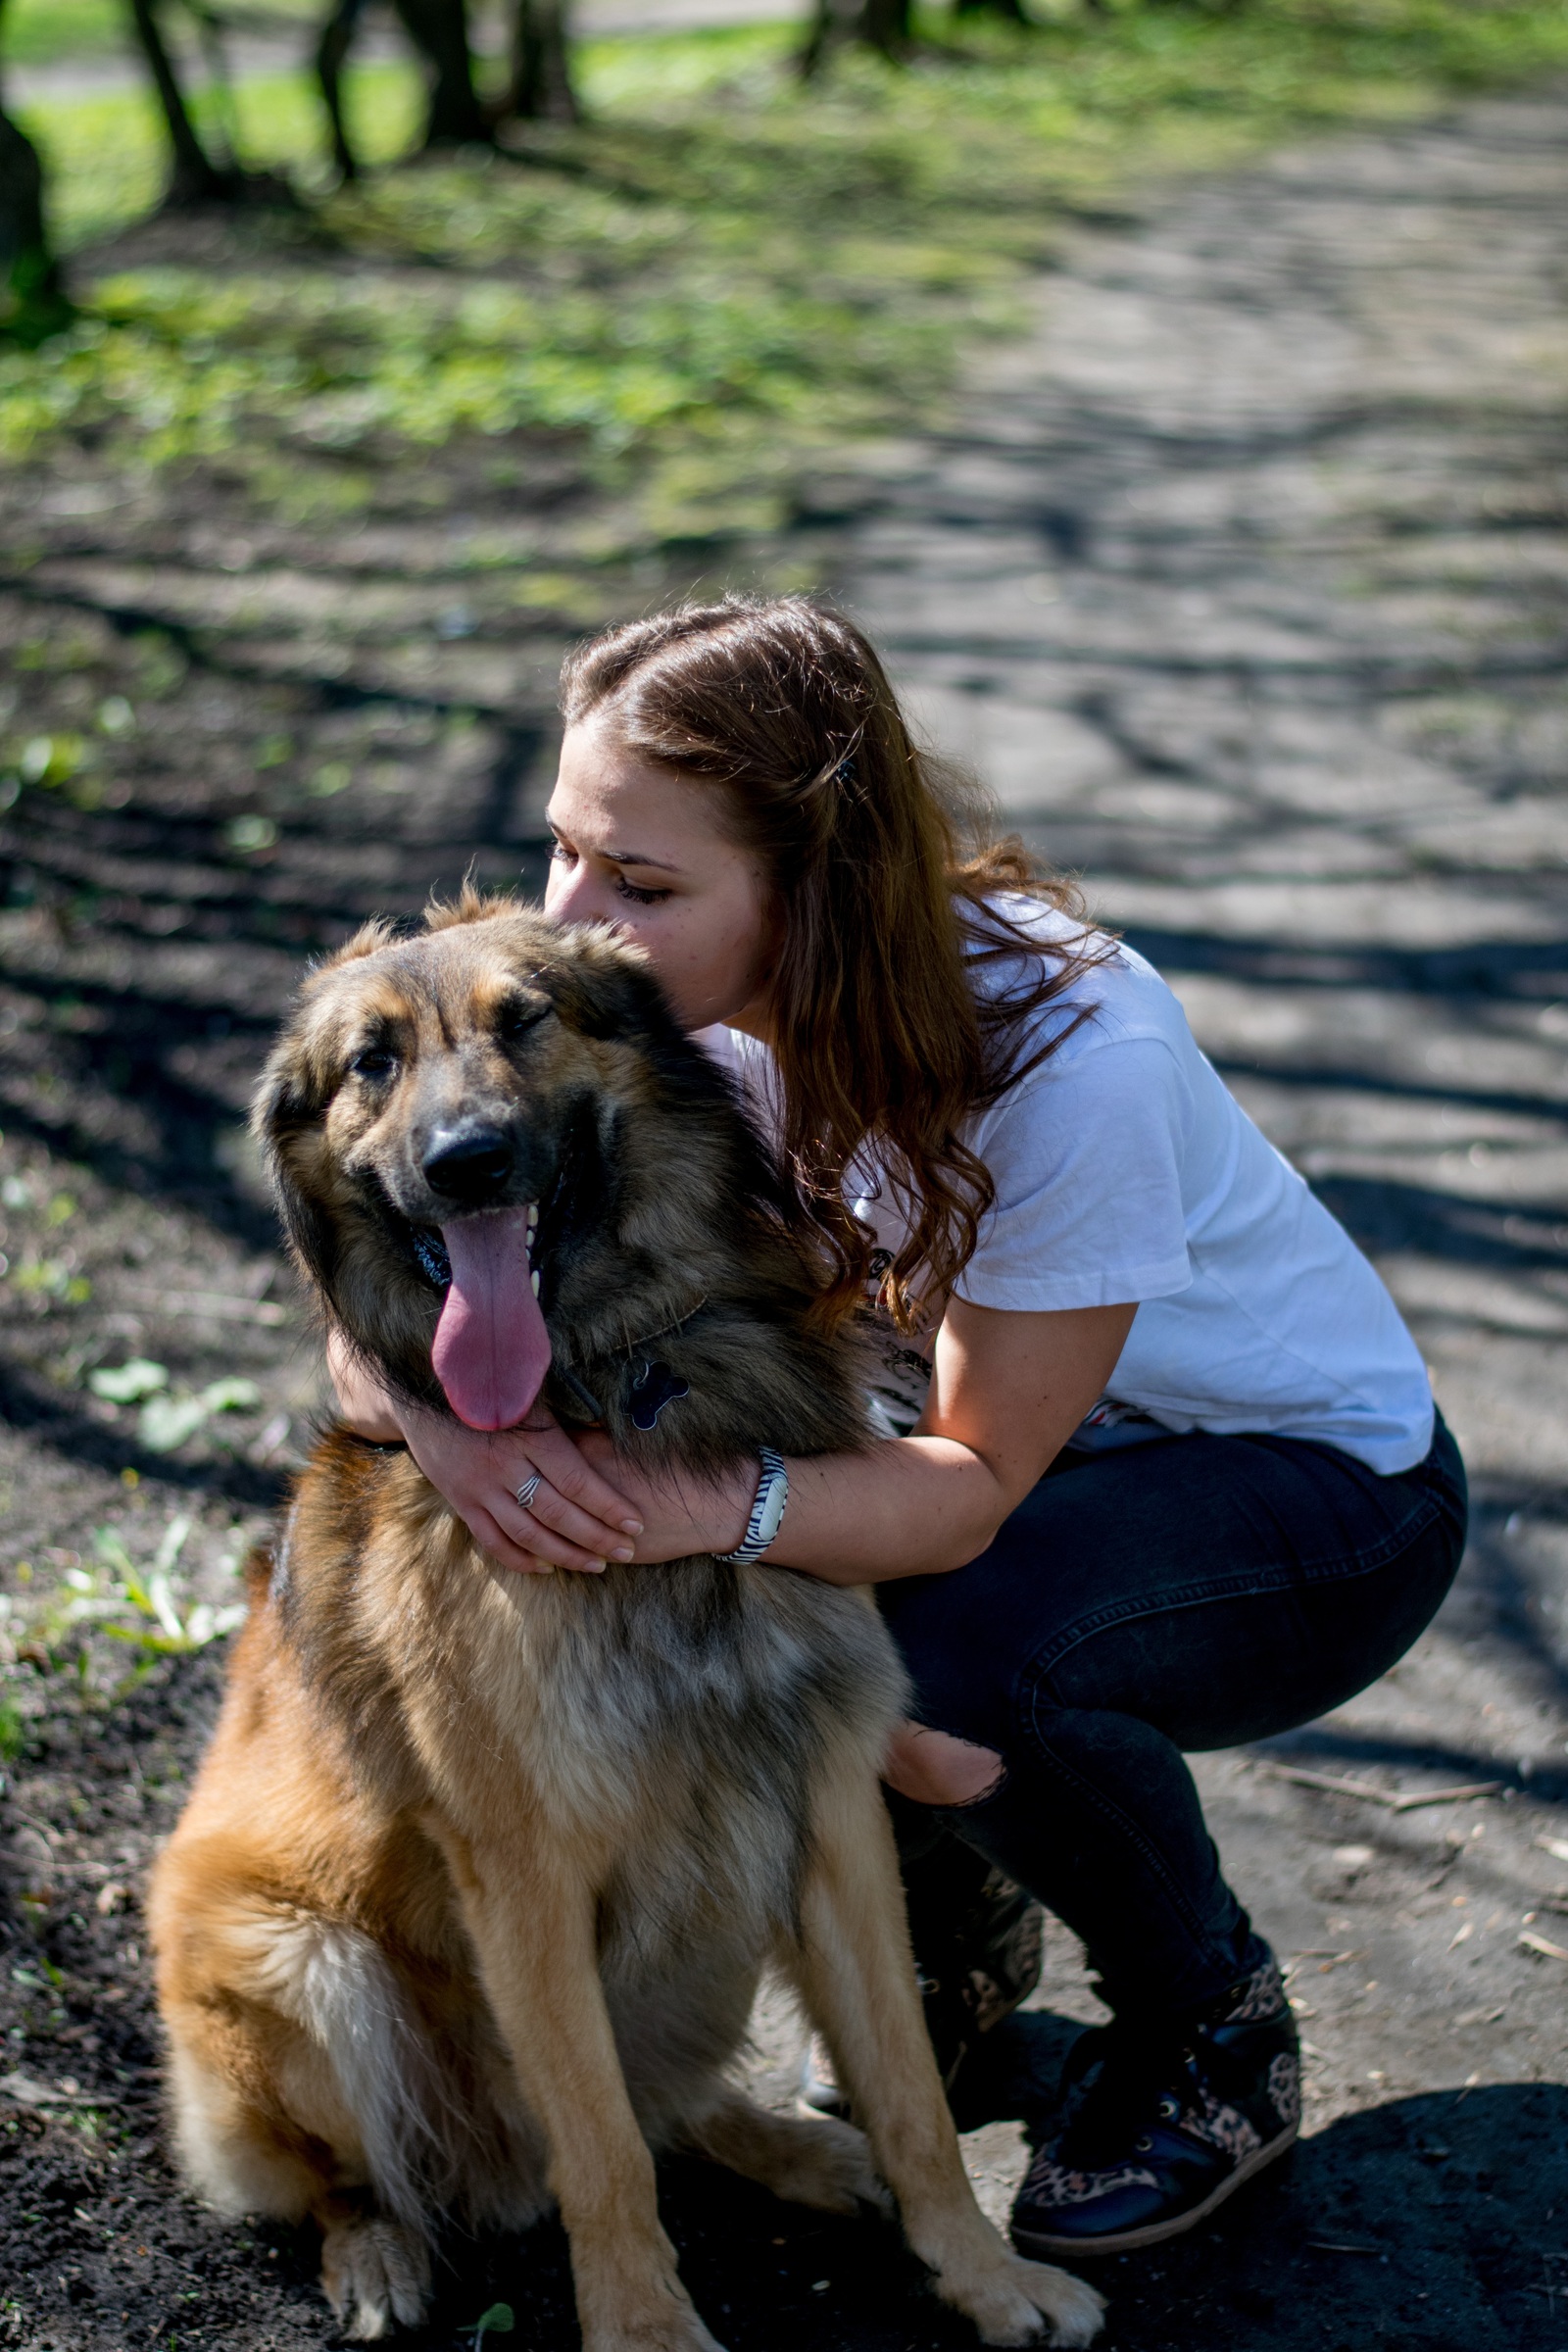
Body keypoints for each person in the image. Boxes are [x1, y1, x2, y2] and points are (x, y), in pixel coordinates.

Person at [328, 596, 1467, 2259]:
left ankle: (1208, 2026)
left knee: (934, 1655)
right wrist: (457, 1440)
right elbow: (359, 1281)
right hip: (1016, 1475)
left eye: (639, 886)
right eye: (566, 849)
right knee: (863, 1641)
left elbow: (965, 1486)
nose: (572, 920)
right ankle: (959, 1935)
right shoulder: (635, 1024)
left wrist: (688, 1511)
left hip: (1310, 1509)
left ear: (820, 886)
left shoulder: (1075, 1053)